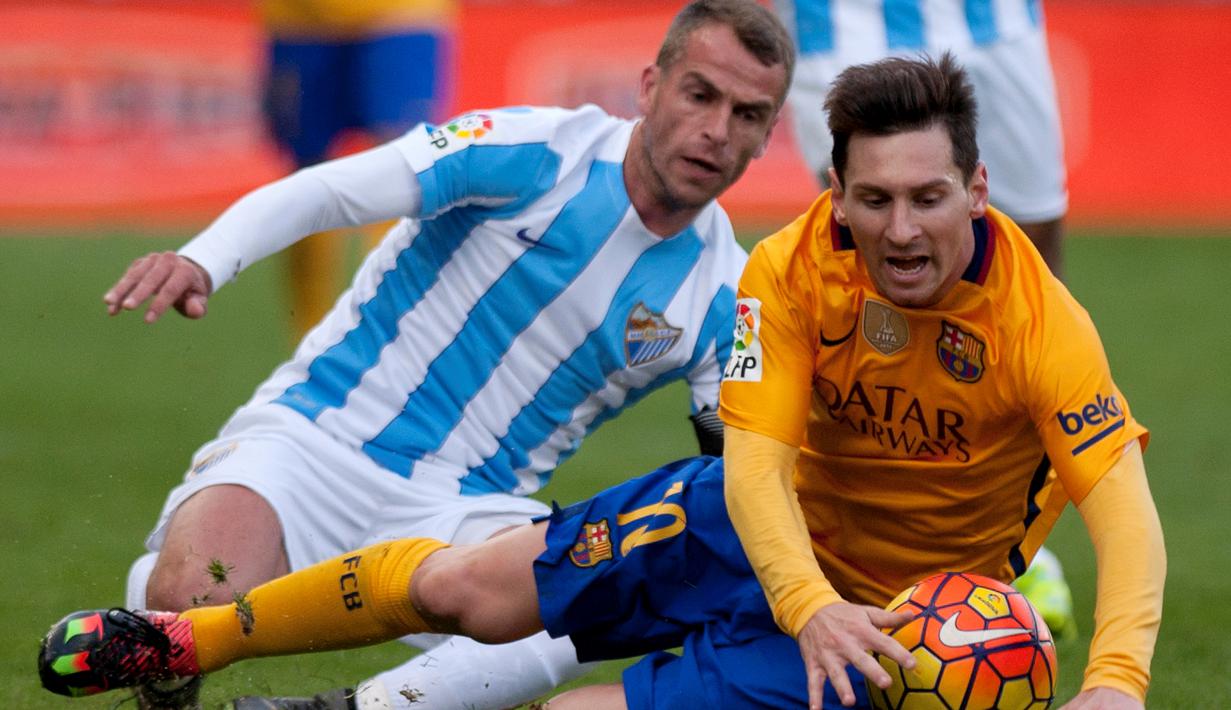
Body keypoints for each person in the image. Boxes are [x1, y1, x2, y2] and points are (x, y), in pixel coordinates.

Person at [43, 54, 1163, 710]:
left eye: (928, 198)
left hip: (884, 616)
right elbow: (757, 461)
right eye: (873, 200)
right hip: (745, 522)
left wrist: (1114, 677)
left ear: (977, 186)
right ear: (836, 191)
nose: (900, 229)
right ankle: (192, 642)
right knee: (465, 591)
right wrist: (800, 592)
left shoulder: (1041, 328)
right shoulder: (785, 268)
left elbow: (1126, 514)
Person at [97, 1, 795, 708]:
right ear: (650, 86)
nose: (715, 131)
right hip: (313, 440)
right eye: (700, 94)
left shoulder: (731, 302)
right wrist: (204, 259)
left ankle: (351, 709)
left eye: (746, 115)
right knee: (193, 602)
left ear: (769, 136)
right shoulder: (532, 149)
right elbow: (331, 189)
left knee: (568, 605)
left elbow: (735, 474)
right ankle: (163, 608)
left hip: (465, 509)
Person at [772, 0, 1068, 277]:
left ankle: (1042, 334)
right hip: (841, 27)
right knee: (877, 234)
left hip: (999, 21)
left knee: (1032, 241)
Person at [260, 0, 457, 336]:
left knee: (406, 167)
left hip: (403, 15)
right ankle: (309, 343)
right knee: (308, 173)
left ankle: (397, 326)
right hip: (299, 20)